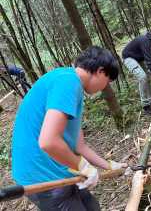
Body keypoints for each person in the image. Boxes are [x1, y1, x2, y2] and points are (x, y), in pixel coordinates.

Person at [11, 46, 127, 211]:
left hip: (61, 169)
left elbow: (79, 146)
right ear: (100, 71)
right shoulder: (67, 82)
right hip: (42, 176)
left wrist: (108, 165)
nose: (104, 87)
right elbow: (48, 141)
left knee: (92, 207)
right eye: (107, 82)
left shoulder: (71, 85)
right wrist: (82, 166)